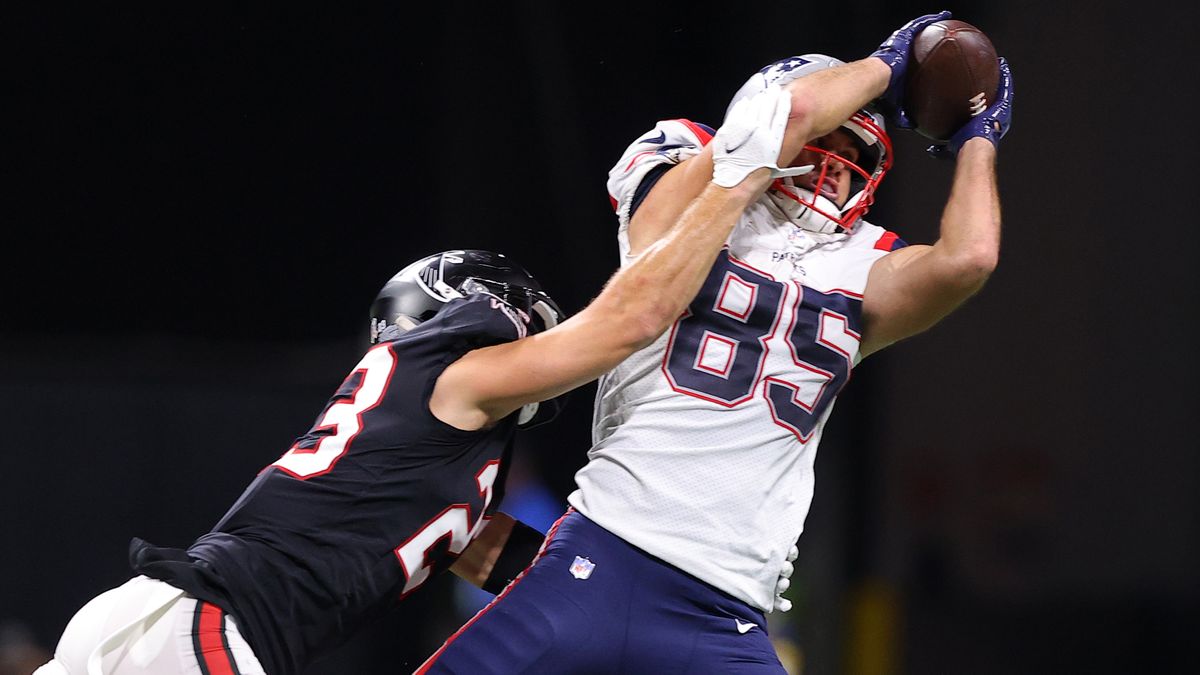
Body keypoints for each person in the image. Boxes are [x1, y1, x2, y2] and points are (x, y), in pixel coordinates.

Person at [34, 78, 807, 675]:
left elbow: (526, 568)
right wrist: (740, 173)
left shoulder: (430, 448)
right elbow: (624, 323)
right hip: (213, 626)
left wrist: (675, 588)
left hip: (179, 621)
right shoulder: (456, 372)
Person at [418, 10, 1013, 674]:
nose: (838, 167)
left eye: (856, 158)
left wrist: (977, 134)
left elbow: (970, 259)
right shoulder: (689, 167)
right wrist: (889, 64)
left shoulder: (866, 261)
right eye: (832, 140)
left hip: (726, 611)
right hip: (606, 549)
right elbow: (781, 121)